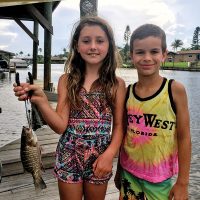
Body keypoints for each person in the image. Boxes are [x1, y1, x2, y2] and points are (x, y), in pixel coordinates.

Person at [13, 16, 126, 200]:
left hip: (100, 157)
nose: (93, 46)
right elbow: (60, 126)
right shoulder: (66, 81)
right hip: (68, 155)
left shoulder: (117, 85)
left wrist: (110, 154)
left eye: (100, 41)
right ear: (76, 45)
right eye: (86, 41)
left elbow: (120, 126)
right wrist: (41, 100)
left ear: (109, 45)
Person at [114, 24, 191, 200]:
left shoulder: (174, 90)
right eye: (140, 52)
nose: (147, 58)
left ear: (164, 54)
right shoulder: (127, 93)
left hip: (160, 179)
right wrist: (119, 169)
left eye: (154, 52)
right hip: (129, 173)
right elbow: (124, 134)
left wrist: (183, 183)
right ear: (131, 56)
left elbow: (184, 137)